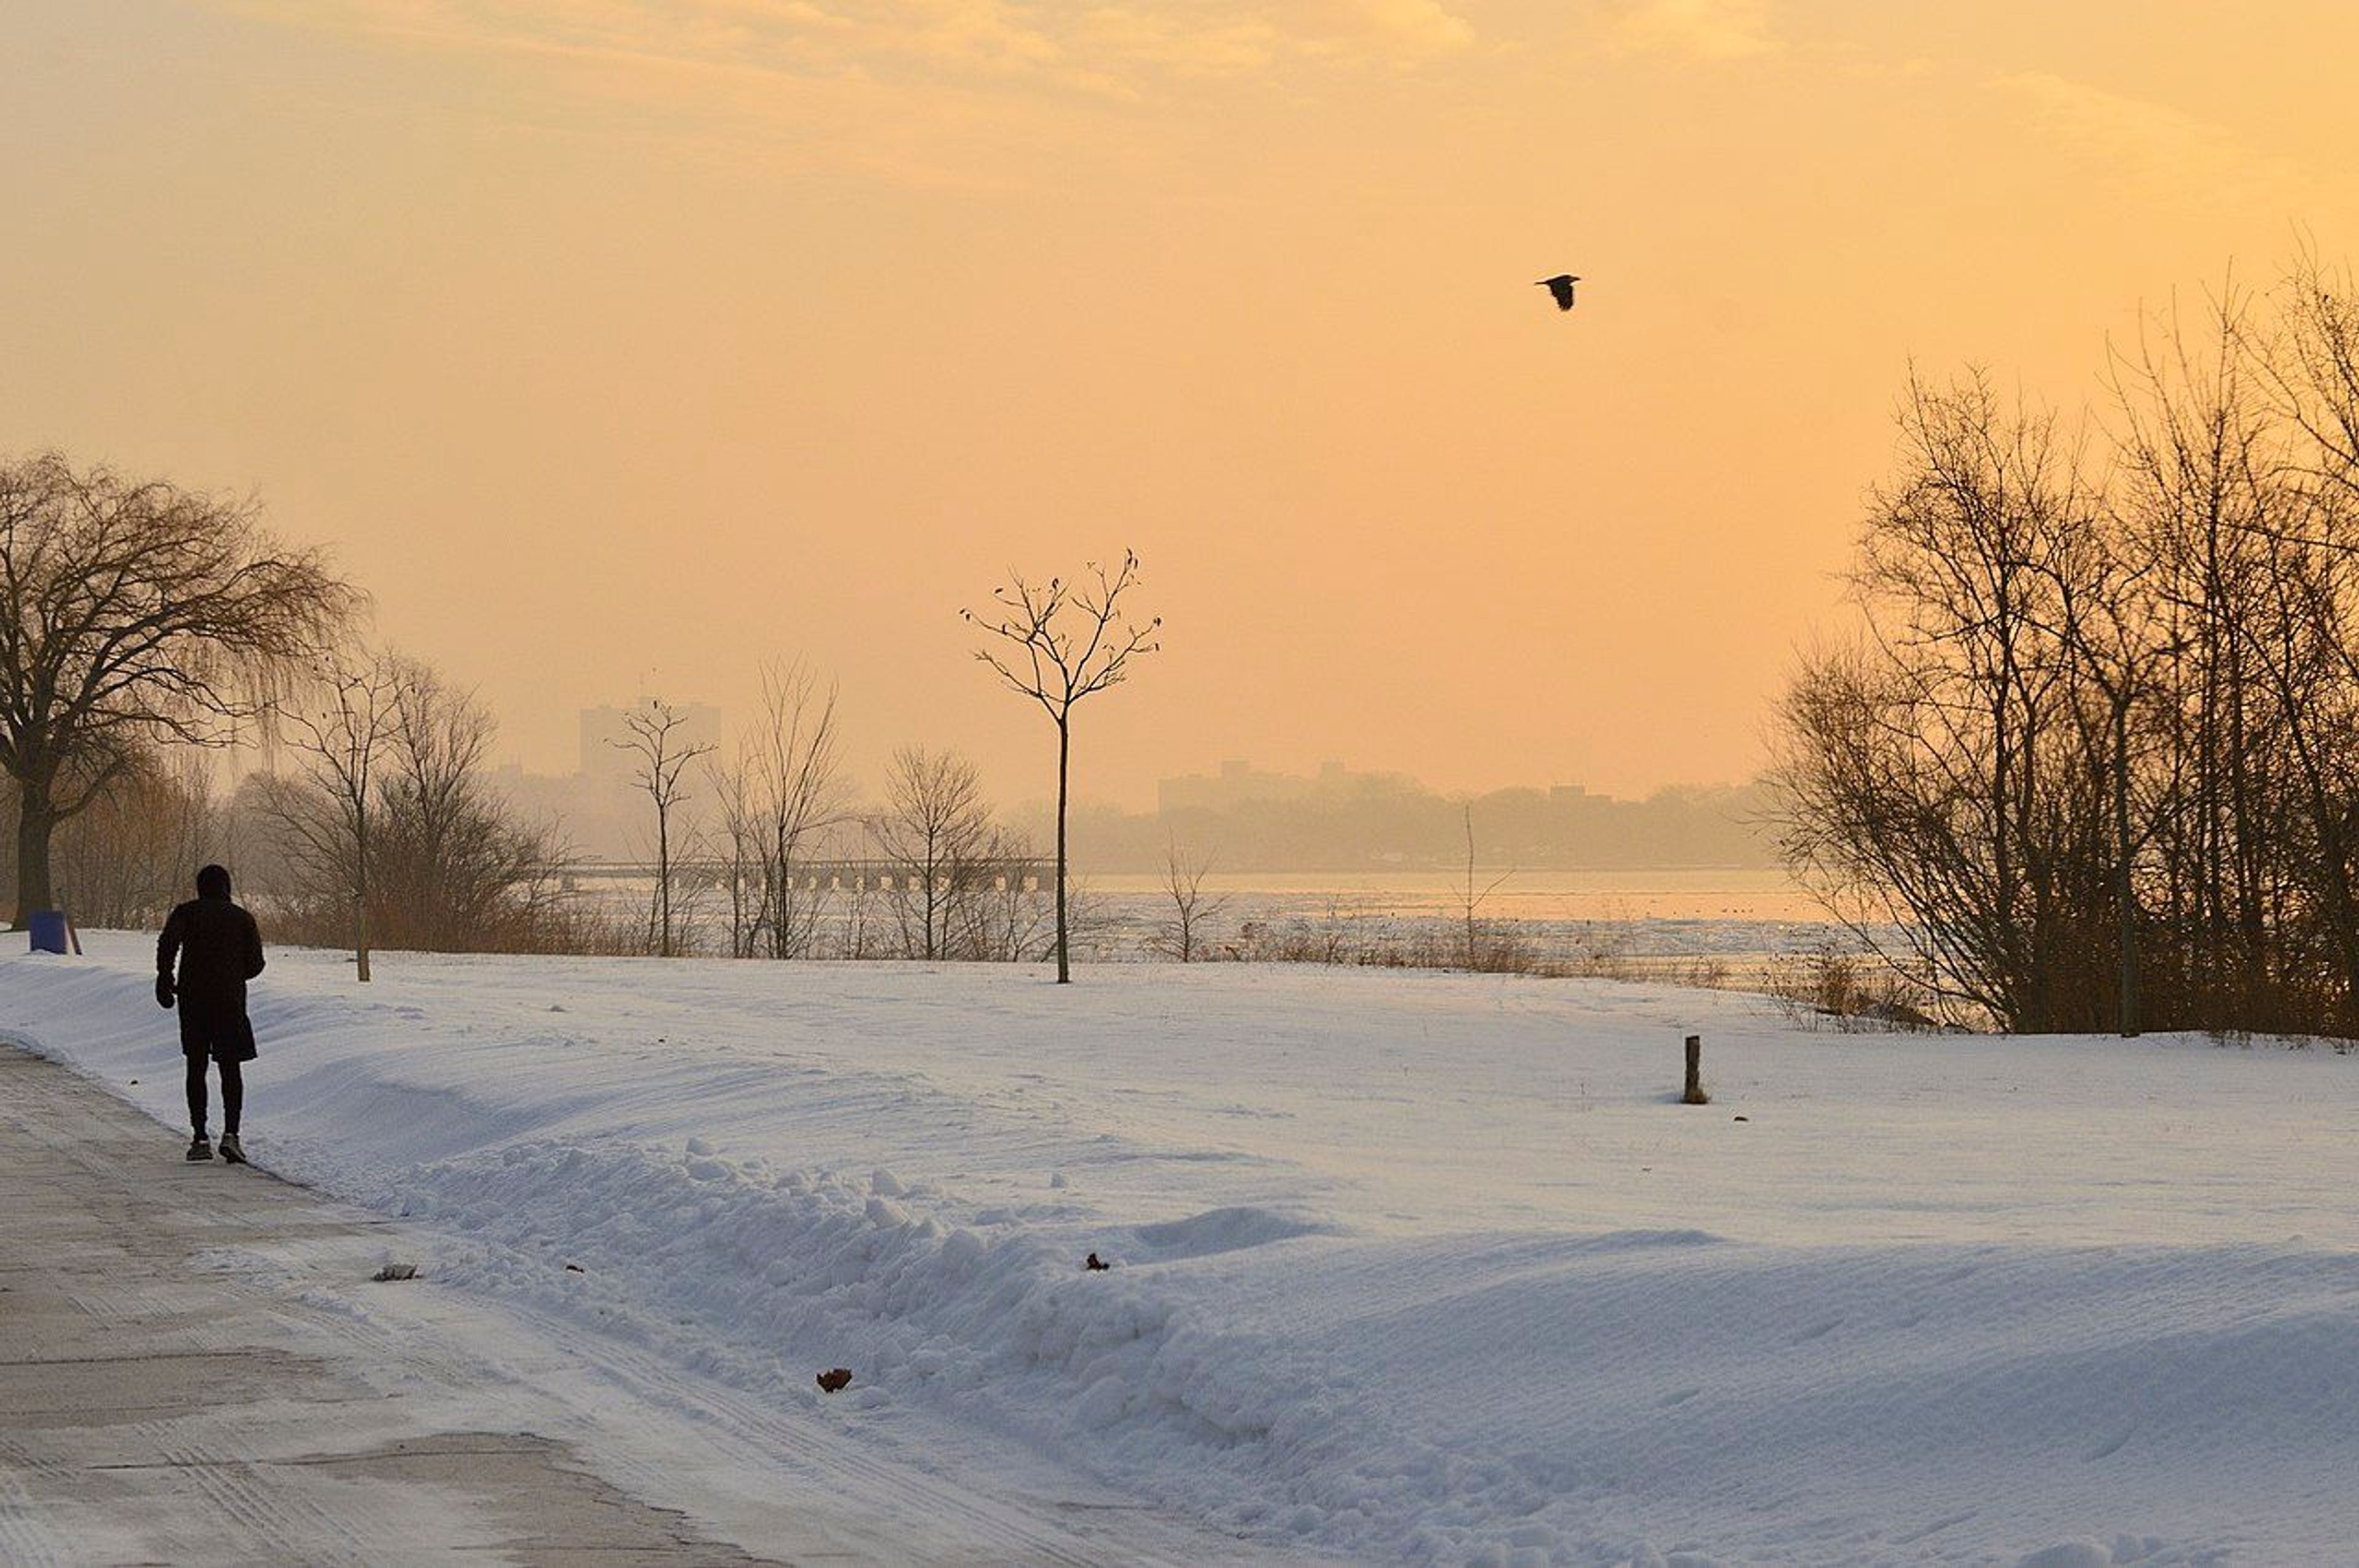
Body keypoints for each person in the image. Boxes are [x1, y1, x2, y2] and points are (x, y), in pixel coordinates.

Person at [157, 864, 265, 1164]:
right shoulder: (243, 918)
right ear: (227, 887)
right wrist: (231, 974)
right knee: (230, 1068)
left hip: (193, 1001)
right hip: (230, 1003)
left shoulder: (186, 913)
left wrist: (165, 978)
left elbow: (167, 943)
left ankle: (200, 1137)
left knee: (196, 1066)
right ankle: (231, 1135)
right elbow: (256, 965)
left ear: (200, 887)